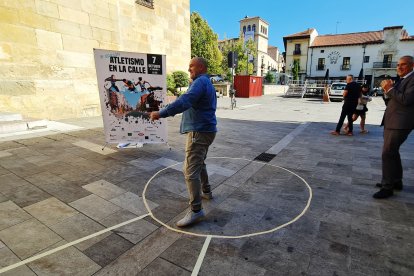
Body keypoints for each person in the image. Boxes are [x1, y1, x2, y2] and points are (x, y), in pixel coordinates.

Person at [149, 57, 217, 227]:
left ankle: (196, 210)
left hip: (199, 132)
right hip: (207, 130)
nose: (189, 70)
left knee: (189, 170)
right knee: (199, 163)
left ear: (201, 67)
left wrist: (161, 113)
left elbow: (185, 101)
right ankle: (206, 191)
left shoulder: (200, 82)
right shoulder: (205, 82)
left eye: (191, 67)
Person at [373, 55, 414, 199]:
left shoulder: (412, 79)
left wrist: (390, 88)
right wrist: (387, 91)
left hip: (400, 123)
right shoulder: (401, 80)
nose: (399, 67)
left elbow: (406, 100)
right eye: (398, 65)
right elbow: (391, 100)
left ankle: (387, 187)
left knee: (388, 153)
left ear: (411, 65)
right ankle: (396, 181)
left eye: (403, 65)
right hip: (392, 121)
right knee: (393, 152)